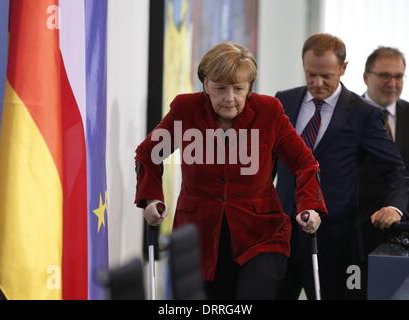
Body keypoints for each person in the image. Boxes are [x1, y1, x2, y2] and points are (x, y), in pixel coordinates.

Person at [135, 42, 327, 300]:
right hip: (198, 236)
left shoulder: (268, 112)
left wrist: (309, 206)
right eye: (220, 88)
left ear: (249, 88)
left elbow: (304, 164)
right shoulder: (186, 111)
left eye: (238, 89)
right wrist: (152, 199)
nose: (229, 98)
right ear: (205, 84)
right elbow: (148, 154)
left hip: (261, 234)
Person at [274, 33, 409, 300]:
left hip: (335, 244)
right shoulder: (283, 101)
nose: (317, 83)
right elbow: (266, 164)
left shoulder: (363, 113)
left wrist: (394, 207)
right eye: (310, 74)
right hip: (282, 238)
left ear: (344, 68)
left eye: (326, 75)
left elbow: (396, 170)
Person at [358, 47, 409, 298]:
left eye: (399, 76)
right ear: (367, 77)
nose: (393, 83)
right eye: (385, 75)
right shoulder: (347, 115)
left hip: (406, 235)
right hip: (356, 232)